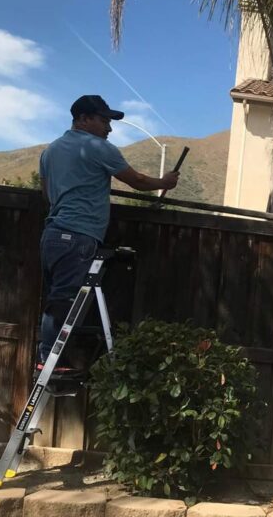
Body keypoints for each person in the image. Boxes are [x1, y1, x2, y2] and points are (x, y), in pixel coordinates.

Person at [37, 95, 179, 368]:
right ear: (83, 119)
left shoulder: (50, 151)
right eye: (104, 121)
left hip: (53, 234)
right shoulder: (98, 147)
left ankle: (50, 359)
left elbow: (46, 194)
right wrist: (165, 182)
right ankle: (49, 359)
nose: (109, 129)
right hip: (77, 235)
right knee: (64, 301)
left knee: (57, 298)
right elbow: (136, 180)